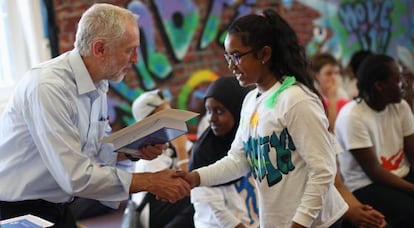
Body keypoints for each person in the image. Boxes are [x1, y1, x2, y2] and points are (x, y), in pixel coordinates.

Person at [0, 3, 190, 227]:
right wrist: (150, 181)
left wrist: (131, 151)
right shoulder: (47, 87)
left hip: (56, 204)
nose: (136, 59)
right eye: (129, 50)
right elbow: (75, 176)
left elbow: (95, 150)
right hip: (17, 209)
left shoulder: (98, 82)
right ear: (100, 49)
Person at [176, 9, 347, 227]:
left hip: (317, 223)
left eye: (237, 56)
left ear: (264, 54)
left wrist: (300, 223)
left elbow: (323, 170)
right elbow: (238, 160)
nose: (230, 65)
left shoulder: (295, 100)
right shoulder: (251, 101)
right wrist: (195, 177)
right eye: (227, 56)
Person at [335, 54, 414, 227]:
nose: (404, 84)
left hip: (401, 175)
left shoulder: (401, 106)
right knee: (410, 213)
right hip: (366, 185)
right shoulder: (352, 116)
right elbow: (374, 171)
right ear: (379, 86)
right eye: (398, 79)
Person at [189, 76, 254, 228]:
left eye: (219, 111)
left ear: (238, 110)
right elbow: (216, 209)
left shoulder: (250, 140)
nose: (211, 119)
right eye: (208, 111)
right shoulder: (203, 152)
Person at [130, 89, 195, 228]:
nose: (172, 119)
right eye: (165, 115)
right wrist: (182, 150)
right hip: (150, 211)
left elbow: (197, 162)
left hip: (169, 205)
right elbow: (180, 188)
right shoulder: (147, 151)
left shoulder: (171, 139)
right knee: (196, 200)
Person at [310, 53, 349, 132]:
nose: (334, 77)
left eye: (337, 73)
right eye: (328, 73)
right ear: (317, 75)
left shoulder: (342, 93)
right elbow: (331, 129)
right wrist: (332, 98)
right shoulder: (312, 96)